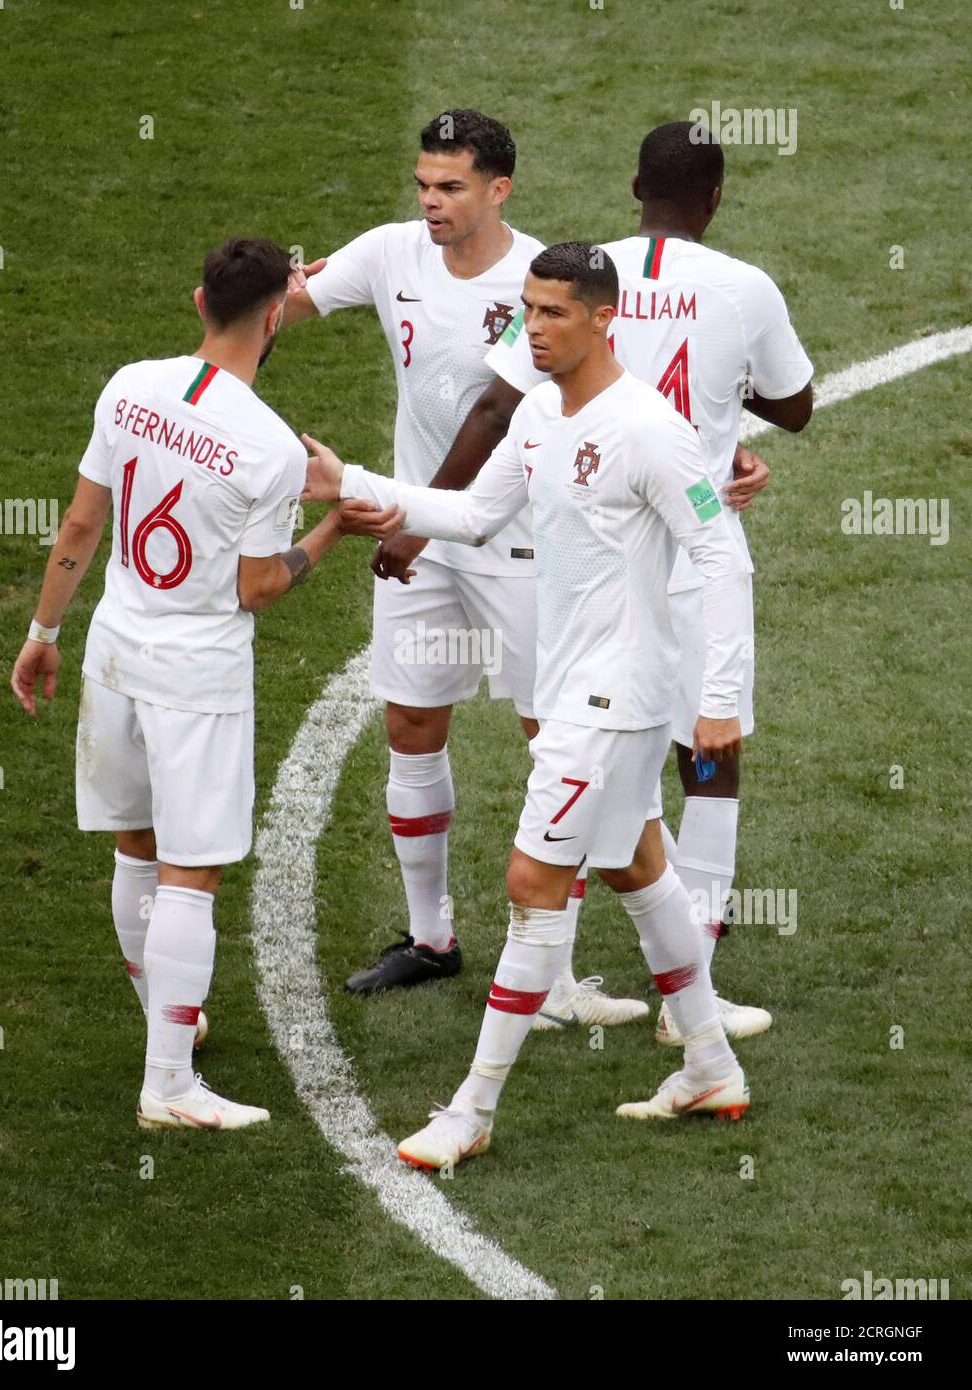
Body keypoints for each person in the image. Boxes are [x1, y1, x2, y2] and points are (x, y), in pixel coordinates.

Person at [303, 242, 755, 1169]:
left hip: (614, 699)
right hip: (580, 688)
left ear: (603, 319)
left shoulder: (648, 429)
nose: (532, 329)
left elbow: (724, 557)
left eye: (553, 314)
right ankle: (708, 1060)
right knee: (636, 866)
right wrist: (352, 484)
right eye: (527, 311)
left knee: (529, 886)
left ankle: (470, 1111)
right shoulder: (543, 412)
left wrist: (716, 705)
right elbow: (471, 515)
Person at [387, 121, 813, 1040]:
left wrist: (411, 510)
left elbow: (498, 402)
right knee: (707, 751)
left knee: (598, 762)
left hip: (585, 557)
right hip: (690, 540)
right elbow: (797, 404)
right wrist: (720, 412)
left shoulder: (577, 276)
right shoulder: (744, 286)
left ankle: (576, 993)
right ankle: (685, 996)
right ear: (717, 197)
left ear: (633, 185)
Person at [10, 238, 399, 1130]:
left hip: (112, 644)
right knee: (191, 873)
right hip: (197, 672)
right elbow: (257, 588)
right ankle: (170, 1085)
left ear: (198, 303)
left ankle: (167, 1030)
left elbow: (81, 520)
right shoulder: (267, 445)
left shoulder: (129, 385)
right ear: (274, 319)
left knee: (136, 849)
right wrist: (335, 529)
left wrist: (42, 632)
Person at [283, 110, 645, 1024]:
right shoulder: (390, 253)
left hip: (515, 541)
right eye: (423, 184)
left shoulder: (539, 287)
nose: (431, 202)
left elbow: (490, 416)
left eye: (451, 187)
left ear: (498, 190)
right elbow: (276, 308)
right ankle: (431, 937)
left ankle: (559, 975)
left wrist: (407, 522)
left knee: (552, 737)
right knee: (411, 720)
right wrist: (236, 319)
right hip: (427, 524)